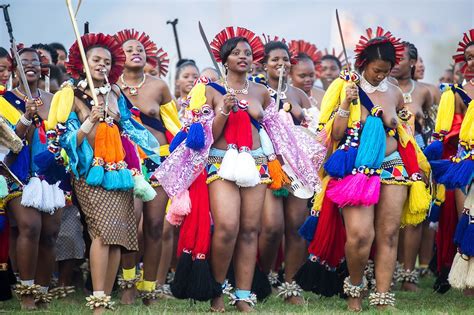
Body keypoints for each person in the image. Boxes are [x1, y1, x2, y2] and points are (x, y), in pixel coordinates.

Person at [302, 27, 431, 311]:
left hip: (392, 167)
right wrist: (347, 102)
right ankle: (355, 287)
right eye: (376, 70)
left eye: (386, 71)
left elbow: (404, 131)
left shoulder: (396, 93)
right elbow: (334, 134)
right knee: (360, 234)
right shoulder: (343, 86)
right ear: (363, 64)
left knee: (387, 234)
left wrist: (395, 123)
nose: (381, 76)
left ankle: (383, 297)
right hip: (356, 169)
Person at [57, 32, 161, 313]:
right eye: (96, 60)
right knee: (102, 233)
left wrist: (121, 123)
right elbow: (66, 141)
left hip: (120, 170)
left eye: (106, 61)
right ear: (83, 63)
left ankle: (106, 298)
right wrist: (89, 121)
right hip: (89, 173)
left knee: (118, 235)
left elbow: (132, 128)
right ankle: (98, 300)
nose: (102, 65)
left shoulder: (115, 92)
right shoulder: (70, 94)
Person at [114, 29, 181, 305]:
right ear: (119, 56)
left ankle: (149, 287)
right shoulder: (110, 86)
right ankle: (128, 284)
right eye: (130, 49)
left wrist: (182, 160)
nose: (136, 52)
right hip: (125, 162)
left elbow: (173, 126)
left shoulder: (159, 86)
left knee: (155, 226)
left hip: (158, 162)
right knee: (131, 224)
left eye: (140, 49)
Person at [257, 40, 326, 305]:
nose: (281, 64)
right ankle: (262, 278)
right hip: (270, 166)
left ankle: (291, 285)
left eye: (285, 59)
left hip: (298, 167)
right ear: (263, 64)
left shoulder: (298, 95)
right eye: (274, 59)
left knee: (296, 226)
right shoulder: (256, 91)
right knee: (272, 227)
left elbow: (314, 129)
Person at [0, 47, 63, 310]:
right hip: (18, 171)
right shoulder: (5, 100)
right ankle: (26, 293)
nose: (31, 66)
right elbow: (9, 139)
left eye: (35, 62)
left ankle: (42, 292)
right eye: (24, 62)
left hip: (50, 172)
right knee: (29, 227)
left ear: (42, 68)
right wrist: (26, 116)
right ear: (15, 68)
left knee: (49, 233)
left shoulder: (54, 99)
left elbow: (63, 130)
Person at [427, 28, 474, 295]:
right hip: (466, 164)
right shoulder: (456, 93)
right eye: (467, 57)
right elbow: (446, 134)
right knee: (467, 219)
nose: (471, 62)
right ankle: (469, 283)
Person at [390, 41, 433, 291]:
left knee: (415, 216)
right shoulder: (382, 88)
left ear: (413, 62)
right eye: (392, 58)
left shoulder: (426, 92)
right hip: (390, 154)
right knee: (390, 216)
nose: (395, 63)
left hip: (416, 155)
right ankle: (389, 269)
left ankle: (408, 275)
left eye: (401, 58)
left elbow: (431, 127)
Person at [288, 39, 324, 129]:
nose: (308, 79)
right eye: (302, 76)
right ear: (290, 74)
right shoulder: (285, 96)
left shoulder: (323, 95)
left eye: (311, 75)